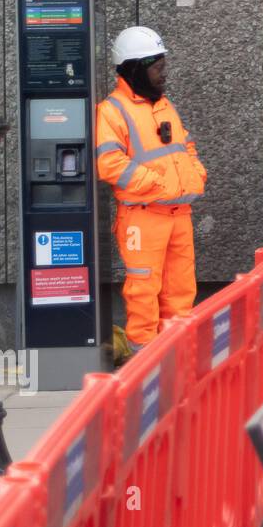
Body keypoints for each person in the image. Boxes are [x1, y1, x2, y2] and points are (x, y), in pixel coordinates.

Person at [96, 26, 206, 355]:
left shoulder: (163, 104)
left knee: (181, 292)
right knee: (144, 293)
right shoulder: (112, 110)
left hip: (178, 215)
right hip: (143, 218)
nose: (163, 74)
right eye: (157, 67)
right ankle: (144, 366)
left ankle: (177, 359)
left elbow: (186, 148)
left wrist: (196, 175)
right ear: (135, 68)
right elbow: (110, 164)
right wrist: (158, 184)